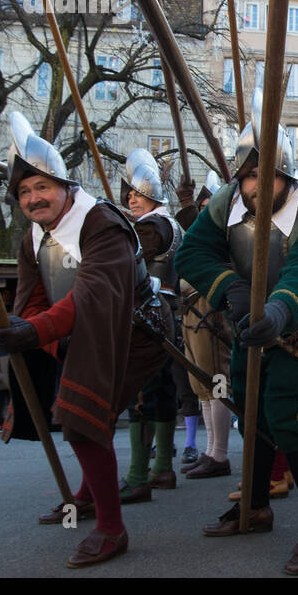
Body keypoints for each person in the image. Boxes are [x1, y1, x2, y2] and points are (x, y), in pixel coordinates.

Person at [174, 106, 298, 575]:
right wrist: (229, 288)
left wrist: (275, 311)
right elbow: (191, 253)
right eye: (249, 176)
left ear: (286, 176)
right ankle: (255, 506)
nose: (255, 187)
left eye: (266, 176)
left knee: (286, 409)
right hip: (253, 316)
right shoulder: (227, 202)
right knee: (249, 405)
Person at [0, 112, 169, 568]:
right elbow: (31, 298)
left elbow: (92, 295)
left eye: (42, 187)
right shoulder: (32, 236)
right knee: (86, 415)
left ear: (65, 186)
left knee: (85, 416)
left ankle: (111, 528)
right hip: (84, 328)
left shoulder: (101, 221)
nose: (33, 199)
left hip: (136, 331)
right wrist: (32, 336)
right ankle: (89, 496)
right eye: (24, 192)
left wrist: (37, 331)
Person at [116, 150, 184, 503]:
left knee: (142, 393)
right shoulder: (173, 224)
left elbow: (127, 264)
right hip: (168, 313)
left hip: (148, 314)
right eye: (129, 195)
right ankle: (162, 467)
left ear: (153, 196)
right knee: (162, 391)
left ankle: (138, 475)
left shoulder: (150, 227)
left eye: (137, 195)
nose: (131, 199)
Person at [178, 172, 236, 479]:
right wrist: (187, 203)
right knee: (202, 385)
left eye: (208, 206)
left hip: (209, 307)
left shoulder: (227, 232)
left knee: (217, 381)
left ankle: (220, 454)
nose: (203, 211)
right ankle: (211, 450)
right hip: (191, 307)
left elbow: (204, 235)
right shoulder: (206, 227)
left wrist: (187, 205)